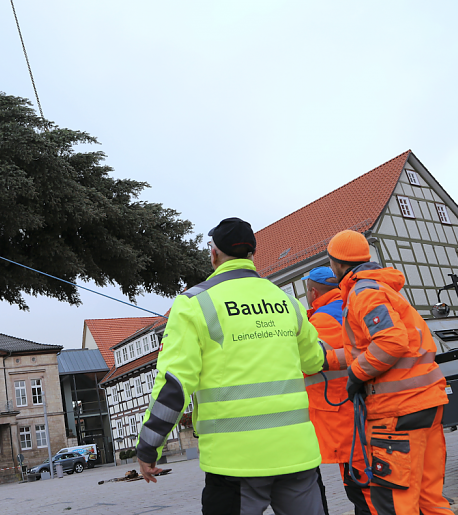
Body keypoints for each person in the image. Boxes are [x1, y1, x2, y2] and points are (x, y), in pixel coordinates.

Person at [136, 217, 326, 515]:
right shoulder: (286, 301)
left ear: (213, 254)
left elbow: (174, 385)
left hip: (235, 461)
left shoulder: (193, 304)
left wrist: (149, 446)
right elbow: (315, 360)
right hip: (298, 454)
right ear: (253, 254)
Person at [324, 230, 450, 515]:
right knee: (430, 501)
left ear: (338, 263)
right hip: (425, 403)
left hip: (396, 412)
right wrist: (329, 359)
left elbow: (391, 343)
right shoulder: (382, 289)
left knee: (395, 504)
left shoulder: (363, 293)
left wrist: (356, 375)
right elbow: (374, 346)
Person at [302, 266, 372, 515]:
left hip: (342, 415)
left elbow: (311, 363)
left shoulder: (321, 320)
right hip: (364, 407)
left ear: (313, 292)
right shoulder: (353, 306)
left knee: (361, 488)